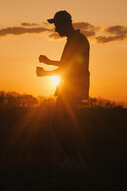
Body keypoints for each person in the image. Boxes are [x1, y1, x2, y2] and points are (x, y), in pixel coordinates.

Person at [36, 10, 90, 171]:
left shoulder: (77, 41)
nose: (55, 29)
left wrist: (45, 73)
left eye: (57, 25)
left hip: (74, 87)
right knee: (59, 122)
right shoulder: (74, 40)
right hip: (70, 87)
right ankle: (74, 157)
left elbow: (69, 67)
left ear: (65, 24)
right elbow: (67, 63)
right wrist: (48, 62)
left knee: (58, 122)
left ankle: (76, 159)